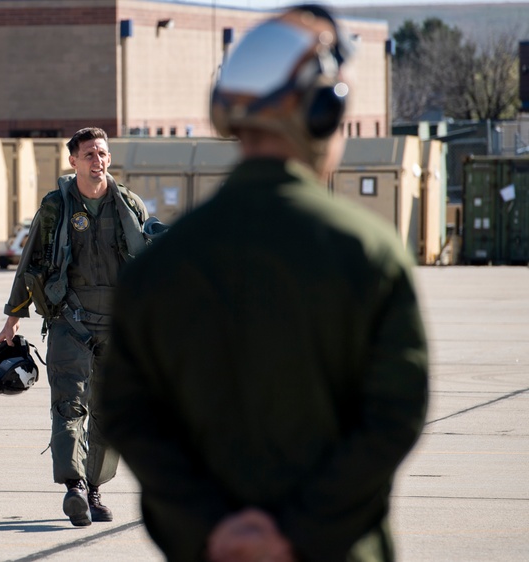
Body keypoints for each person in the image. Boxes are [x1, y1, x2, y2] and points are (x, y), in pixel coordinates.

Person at [97, 5, 429, 561]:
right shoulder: (368, 253)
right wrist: (297, 530)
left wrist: (212, 528)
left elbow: (129, 416)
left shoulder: (160, 265)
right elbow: (394, 416)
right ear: (323, 113)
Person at [0, 127, 149, 527]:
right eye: (89, 155)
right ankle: (74, 487)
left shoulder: (129, 207)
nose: (97, 161)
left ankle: (95, 488)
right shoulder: (55, 207)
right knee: (69, 405)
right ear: (73, 161)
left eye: (102, 154)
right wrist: (11, 321)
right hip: (70, 321)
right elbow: (30, 265)